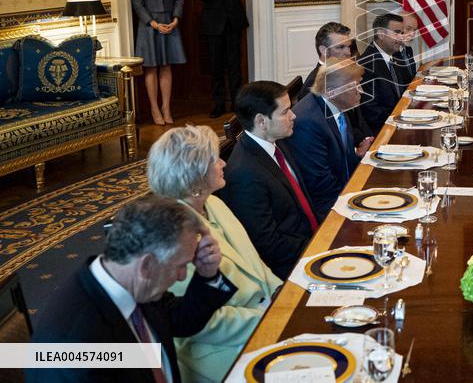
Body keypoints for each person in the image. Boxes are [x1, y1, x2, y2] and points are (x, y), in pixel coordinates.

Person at [29, 195, 235, 383]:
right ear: (146, 265)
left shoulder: (133, 284)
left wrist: (207, 274)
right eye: (180, 266)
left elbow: (180, 320)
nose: (182, 275)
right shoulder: (73, 348)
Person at [147, 125, 282, 382]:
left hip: (264, 313)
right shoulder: (173, 234)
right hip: (221, 349)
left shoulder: (214, 202)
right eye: (215, 160)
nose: (223, 163)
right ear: (194, 175)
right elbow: (202, 320)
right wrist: (268, 319)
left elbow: (255, 263)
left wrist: (281, 293)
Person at [217, 81, 317, 278]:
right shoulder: (244, 175)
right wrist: (319, 245)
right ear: (261, 121)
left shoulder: (276, 141)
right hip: (292, 266)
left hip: (310, 237)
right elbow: (269, 245)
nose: (293, 115)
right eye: (285, 112)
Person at [287, 61, 374, 215]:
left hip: (345, 190)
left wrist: (356, 156)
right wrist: (359, 199)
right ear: (332, 91)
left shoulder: (336, 103)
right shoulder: (308, 123)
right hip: (328, 208)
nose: (361, 91)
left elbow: (340, 161)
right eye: (355, 87)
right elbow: (321, 186)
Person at [131, 0, 186, 125]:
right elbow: (137, 2)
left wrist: (175, 19)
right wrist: (152, 23)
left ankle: (166, 108)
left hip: (169, 24)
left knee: (166, 66)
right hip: (149, 26)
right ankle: (154, 108)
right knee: (151, 68)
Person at [193, 0, 249, 119]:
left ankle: (236, 103)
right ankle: (219, 104)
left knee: (235, 65)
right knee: (216, 66)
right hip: (213, 24)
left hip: (233, 22)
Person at [358, 12, 407, 131]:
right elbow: (372, 112)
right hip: (383, 130)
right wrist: (402, 124)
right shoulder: (366, 65)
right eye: (396, 32)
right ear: (380, 34)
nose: (401, 38)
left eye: (402, 33)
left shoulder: (395, 56)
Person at [301, 21, 354, 98]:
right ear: (323, 50)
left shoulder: (342, 72)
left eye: (349, 46)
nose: (348, 53)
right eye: (341, 47)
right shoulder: (314, 85)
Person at [395, 11, 419, 85]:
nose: (413, 34)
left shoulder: (408, 49)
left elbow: (411, 78)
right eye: (408, 29)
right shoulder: (389, 52)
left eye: (414, 30)